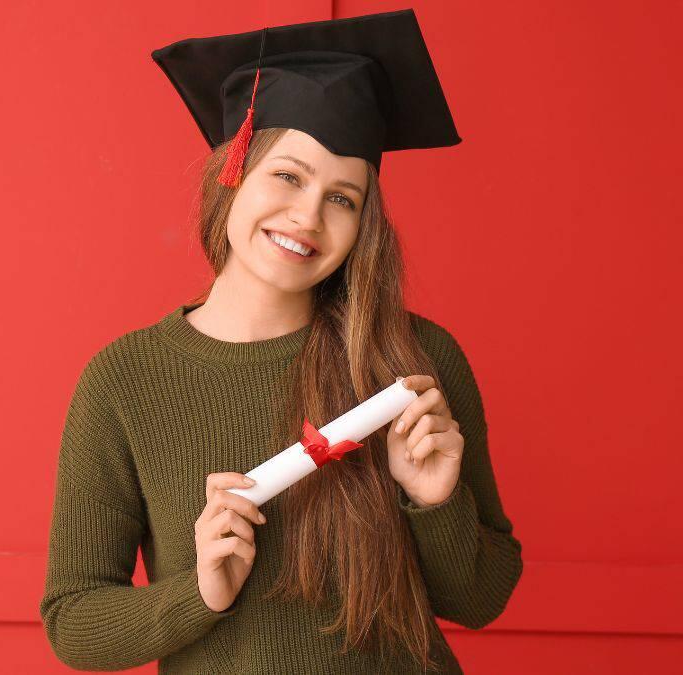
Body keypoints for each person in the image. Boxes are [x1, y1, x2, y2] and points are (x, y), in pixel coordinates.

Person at [39, 9, 522, 674]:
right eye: (289, 176)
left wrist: (435, 502)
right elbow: (74, 622)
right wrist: (199, 594)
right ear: (233, 170)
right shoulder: (124, 381)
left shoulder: (414, 363)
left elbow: (482, 598)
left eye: (342, 198)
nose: (307, 216)